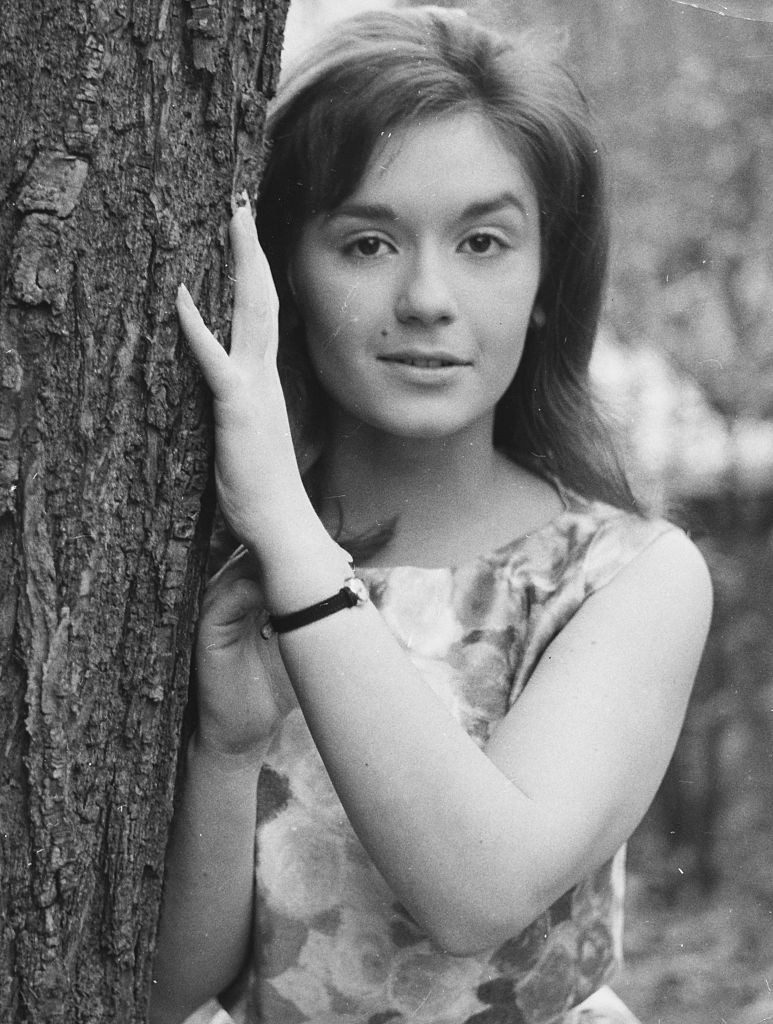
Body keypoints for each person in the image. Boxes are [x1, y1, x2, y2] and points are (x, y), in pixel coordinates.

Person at [149, 7, 712, 1024]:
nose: (425, 297)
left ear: (546, 280)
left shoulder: (624, 576)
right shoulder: (201, 563)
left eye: (483, 241)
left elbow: (477, 893)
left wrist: (290, 533)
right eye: (366, 242)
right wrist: (224, 754)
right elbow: (161, 992)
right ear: (280, 269)